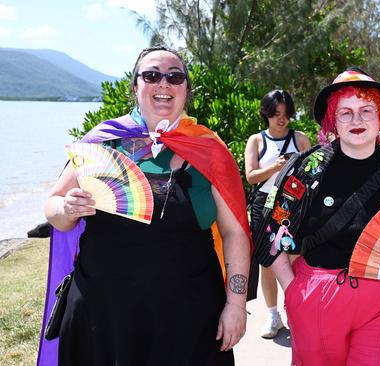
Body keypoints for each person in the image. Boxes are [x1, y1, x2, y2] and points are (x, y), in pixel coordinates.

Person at [42, 46, 251, 365]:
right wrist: (67, 208)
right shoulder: (102, 141)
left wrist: (236, 305)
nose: (163, 84)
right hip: (103, 317)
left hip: (189, 321)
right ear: (136, 86)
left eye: (175, 77)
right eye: (152, 75)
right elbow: (53, 207)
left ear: (186, 90)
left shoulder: (209, 150)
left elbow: (235, 233)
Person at [253, 68, 380, 365]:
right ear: (333, 119)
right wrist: (291, 289)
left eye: (366, 110)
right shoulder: (308, 168)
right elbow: (271, 228)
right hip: (317, 298)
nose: (356, 120)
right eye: (345, 112)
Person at [244, 89, 311, 339]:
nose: (280, 119)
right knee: (267, 263)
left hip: (293, 205)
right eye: (275, 114)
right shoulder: (256, 141)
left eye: (284, 114)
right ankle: (272, 315)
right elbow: (251, 176)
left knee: (294, 260)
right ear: (266, 115)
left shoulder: (301, 139)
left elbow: (315, 171)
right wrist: (276, 167)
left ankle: (295, 311)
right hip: (264, 205)